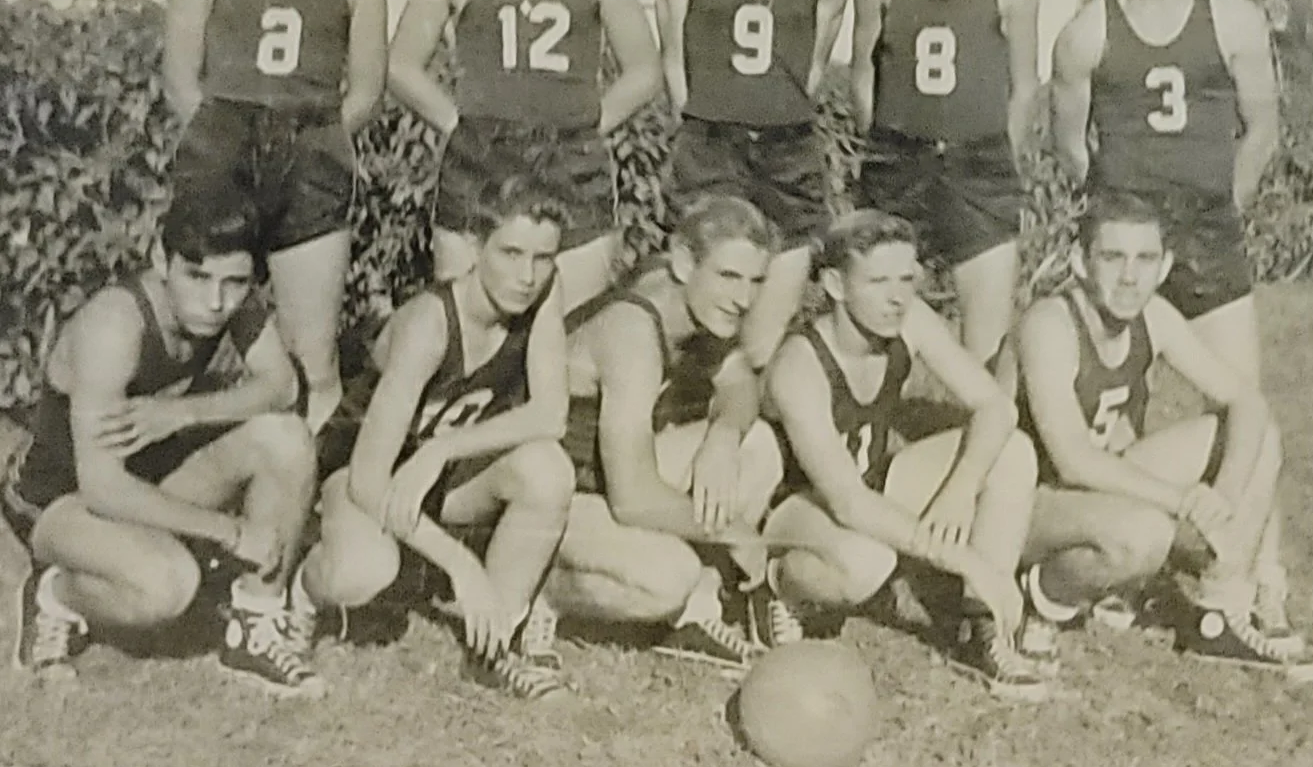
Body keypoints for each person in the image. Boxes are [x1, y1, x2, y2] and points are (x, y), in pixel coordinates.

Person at [1050, 0, 1296, 638]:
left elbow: (1262, 130)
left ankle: (1258, 570)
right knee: (1121, 405)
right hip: (1125, 239)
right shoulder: (1090, 28)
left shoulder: (1233, 19)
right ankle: (1129, 566)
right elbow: (1068, 143)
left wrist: (1224, 206)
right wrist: (1117, 215)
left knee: (1243, 405)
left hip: (1207, 233)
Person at [3, 189, 323, 696]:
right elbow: (102, 487)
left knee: (286, 437)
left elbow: (280, 386)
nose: (216, 301)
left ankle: (255, 629)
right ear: (160, 259)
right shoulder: (114, 325)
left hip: (140, 479)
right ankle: (52, 592)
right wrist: (231, 532)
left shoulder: (230, 299)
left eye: (234, 283)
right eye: (197, 277)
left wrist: (182, 412)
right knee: (167, 584)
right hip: (59, 500)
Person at [1014, 191, 1313, 681]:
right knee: (1145, 534)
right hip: (1026, 503)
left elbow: (1246, 401)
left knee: (1260, 436)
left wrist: (1224, 495)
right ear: (1081, 262)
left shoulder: (1154, 315)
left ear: (1164, 266)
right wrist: (1182, 501)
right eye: (1113, 258)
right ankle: (1043, 598)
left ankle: (1218, 610)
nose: (1130, 276)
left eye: (1146, 259)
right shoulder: (1050, 322)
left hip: (1096, 489)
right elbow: (1071, 460)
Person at [300, 175, 577, 700]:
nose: (527, 275)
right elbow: (366, 478)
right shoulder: (429, 322)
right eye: (511, 252)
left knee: (548, 471)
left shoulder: (542, 291)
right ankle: (299, 589)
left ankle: (493, 647)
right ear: (474, 245)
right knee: (361, 572)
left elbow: (550, 415)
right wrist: (460, 562)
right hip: (359, 474)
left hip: (433, 471)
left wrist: (442, 448)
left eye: (543, 257)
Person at [758, 210, 1048, 701]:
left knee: (1010, 451)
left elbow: (994, 406)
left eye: (906, 278)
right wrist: (967, 560)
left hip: (867, 487)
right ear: (835, 284)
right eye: (877, 281)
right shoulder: (800, 362)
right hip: (795, 509)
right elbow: (845, 502)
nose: (897, 296)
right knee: (866, 561)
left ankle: (982, 627)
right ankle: (778, 591)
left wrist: (960, 487)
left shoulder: (910, 319)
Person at [389, 0, 663, 313]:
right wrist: (457, 123)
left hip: (572, 162)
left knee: (576, 330)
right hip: (480, 160)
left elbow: (644, 68)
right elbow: (401, 63)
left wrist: (589, 126)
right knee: (469, 331)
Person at [164, 0, 389, 436]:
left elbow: (367, 89)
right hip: (221, 151)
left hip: (310, 157)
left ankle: (308, 497)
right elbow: (181, 77)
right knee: (190, 335)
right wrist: (222, 141)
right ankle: (171, 466)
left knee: (312, 355)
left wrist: (308, 143)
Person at [653, 0, 854, 373]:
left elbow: (810, 69)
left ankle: (742, 450)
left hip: (787, 155)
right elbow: (674, 63)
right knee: (697, 329)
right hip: (710, 144)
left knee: (760, 343)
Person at [544, 195, 785, 673]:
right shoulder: (633, 327)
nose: (744, 297)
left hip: (603, 477)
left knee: (756, 446)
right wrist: (733, 533)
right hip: (552, 488)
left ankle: (695, 613)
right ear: (682, 261)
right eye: (729, 277)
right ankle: (536, 587)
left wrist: (722, 436)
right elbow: (632, 498)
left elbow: (739, 383)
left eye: (756, 280)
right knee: (666, 575)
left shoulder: (696, 299)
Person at [851, 0, 1040, 392]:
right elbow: (863, 75)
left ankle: (978, 465)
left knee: (984, 348)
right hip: (897, 161)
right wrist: (881, 149)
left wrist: (995, 155)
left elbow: (1026, 83)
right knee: (876, 333)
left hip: (977, 166)